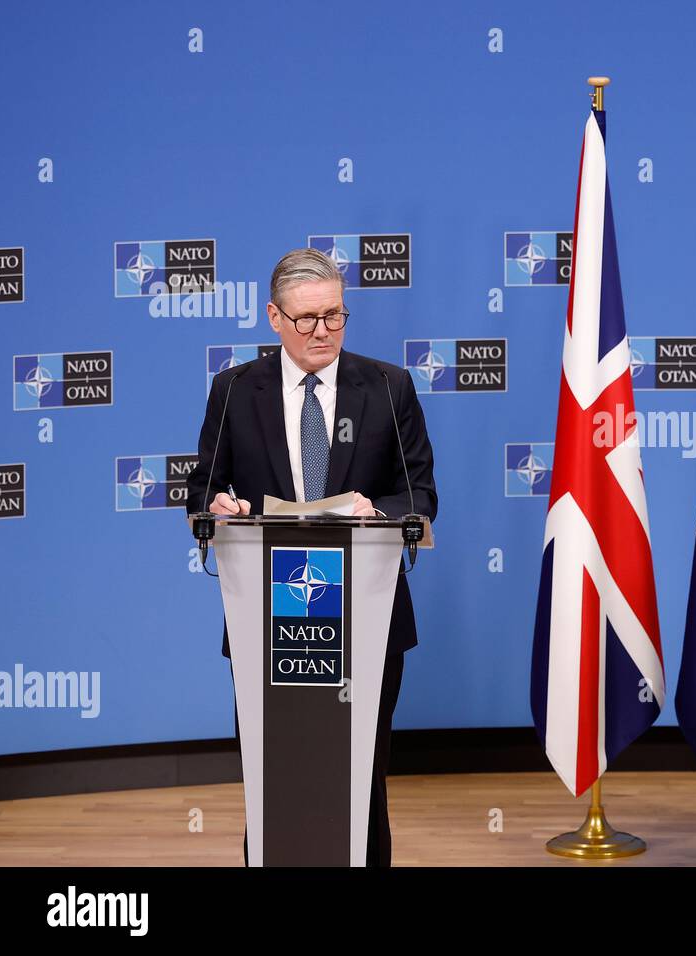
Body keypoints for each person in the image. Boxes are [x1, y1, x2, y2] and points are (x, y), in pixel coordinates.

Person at [186, 247, 437, 866]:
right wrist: (222, 507)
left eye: (335, 315)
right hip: (272, 619)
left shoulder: (386, 385)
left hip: (367, 613)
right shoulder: (236, 390)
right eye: (306, 319)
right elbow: (202, 489)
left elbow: (420, 491)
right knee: (275, 773)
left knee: (360, 774)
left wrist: (376, 514)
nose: (323, 331)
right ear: (274, 317)